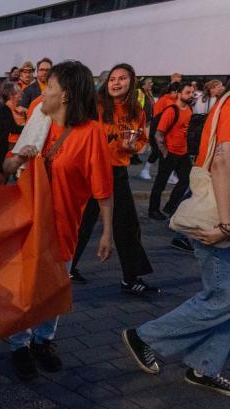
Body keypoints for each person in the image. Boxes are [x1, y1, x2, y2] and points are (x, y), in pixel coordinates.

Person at [123, 38, 230, 398]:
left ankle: (205, 366)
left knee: (229, 297)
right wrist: (228, 223)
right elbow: (224, 160)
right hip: (227, 216)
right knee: (224, 298)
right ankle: (145, 336)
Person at [3, 61, 113, 381]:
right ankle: (19, 345)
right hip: (29, 219)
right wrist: (17, 160)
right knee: (26, 286)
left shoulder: (91, 133)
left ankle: (43, 340)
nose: (43, 91)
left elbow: (103, 188)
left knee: (54, 288)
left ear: (64, 95)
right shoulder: (40, 118)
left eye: (49, 86)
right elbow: (13, 164)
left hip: (65, 224)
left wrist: (107, 232)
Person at [69, 63, 158, 296]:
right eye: (112, 79)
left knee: (127, 225)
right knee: (82, 223)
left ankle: (131, 278)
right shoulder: (94, 106)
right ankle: (66, 267)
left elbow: (140, 139)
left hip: (117, 173)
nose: (116, 83)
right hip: (90, 171)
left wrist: (132, 147)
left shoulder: (136, 111)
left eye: (122, 79)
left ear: (132, 82)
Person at [148, 82, 194, 220]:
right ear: (179, 94)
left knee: (186, 180)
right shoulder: (171, 111)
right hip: (170, 152)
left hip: (183, 153)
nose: (191, 95)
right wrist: (164, 152)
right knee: (160, 183)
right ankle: (153, 210)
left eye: (192, 92)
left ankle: (170, 207)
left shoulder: (189, 110)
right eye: (188, 92)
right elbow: (158, 134)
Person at [0, 81, 24, 185]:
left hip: (12, 148)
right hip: (3, 149)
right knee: (0, 180)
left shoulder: (16, 109)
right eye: (17, 92)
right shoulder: (5, 109)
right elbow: (12, 128)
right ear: (10, 95)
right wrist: (28, 127)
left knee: (5, 178)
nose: (20, 94)